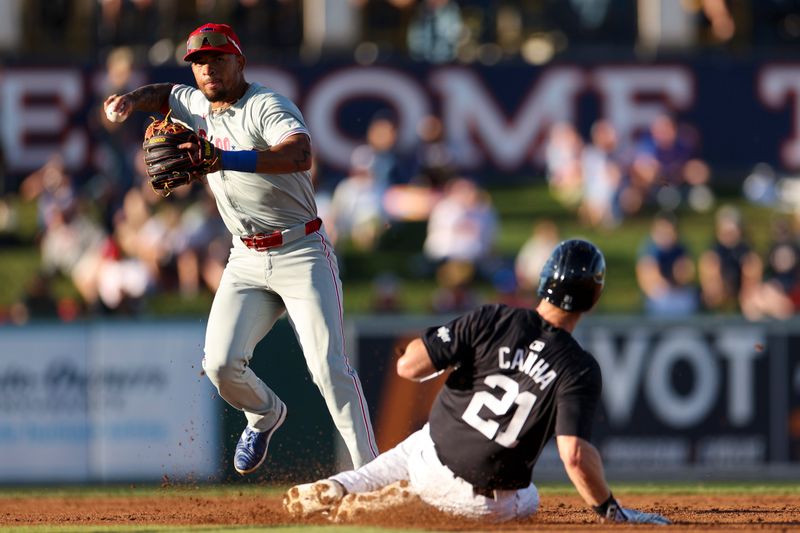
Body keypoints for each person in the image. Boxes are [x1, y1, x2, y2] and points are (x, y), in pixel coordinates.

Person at [103, 23, 378, 474]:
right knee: (220, 365)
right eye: (198, 61)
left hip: (301, 249)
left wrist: (223, 159)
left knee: (329, 369)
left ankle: (372, 475)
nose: (207, 68)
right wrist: (131, 100)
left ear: (239, 61)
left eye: (216, 58)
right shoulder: (195, 102)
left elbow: (299, 154)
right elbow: (164, 94)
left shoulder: (266, 104)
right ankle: (266, 413)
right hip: (244, 257)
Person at [283, 240, 670, 525]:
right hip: (483, 499)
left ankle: (341, 486)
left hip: (432, 451)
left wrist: (447, 344)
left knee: (404, 455)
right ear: (593, 298)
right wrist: (609, 510)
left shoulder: (493, 319)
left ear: (545, 279)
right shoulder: (578, 367)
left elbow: (411, 367)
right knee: (529, 499)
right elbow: (574, 456)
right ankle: (396, 500)